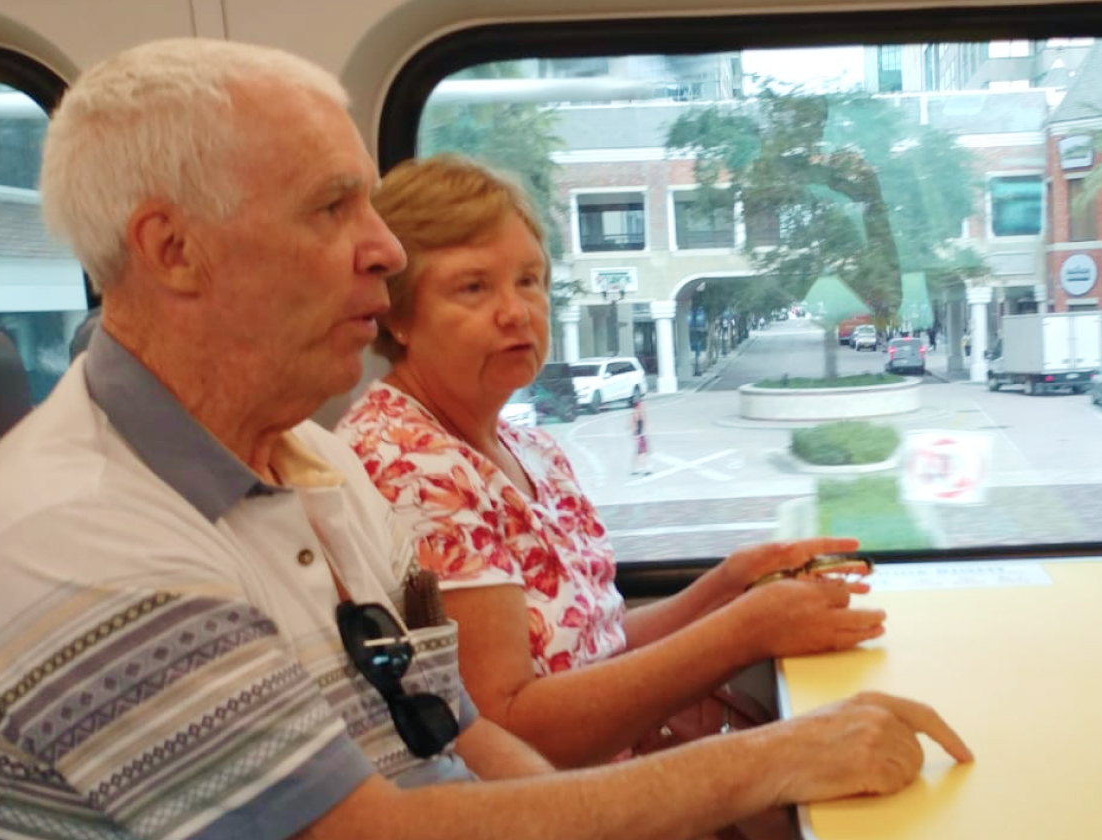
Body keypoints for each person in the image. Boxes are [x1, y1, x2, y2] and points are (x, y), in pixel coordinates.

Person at [0, 39, 968, 840]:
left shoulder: (306, 464)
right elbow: (374, 833)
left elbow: (459, 735)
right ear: (173, 249)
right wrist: (762, 766)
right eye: (334, 209)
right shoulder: (73, 538)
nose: (381, 250)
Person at [337, 155, 899, 776]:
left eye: (529, 280)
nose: (516, 311)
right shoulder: (407, 464)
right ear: (399, 313)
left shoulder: (530, 451)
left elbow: (598, 642)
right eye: (473, 287)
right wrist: (742, 633)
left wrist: (730, 583)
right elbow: (511, 730)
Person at [631, 397, 651, 475]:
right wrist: (636, 434)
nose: (643, 406)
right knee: (642, 453)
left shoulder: (638, 413)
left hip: (640, 436)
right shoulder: (637, 414)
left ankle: (637, 470)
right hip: (640, 436)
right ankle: (645, 470)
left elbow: (643, 424)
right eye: (641, 405)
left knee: (640, 453)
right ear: (638, 406)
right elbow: (633, 425)